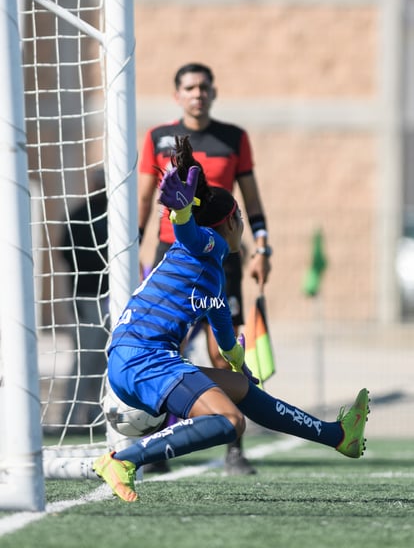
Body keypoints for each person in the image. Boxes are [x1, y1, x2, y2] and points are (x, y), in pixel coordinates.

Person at [93, 136, 370, 503]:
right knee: (229, 422)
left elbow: (224, 334)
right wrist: (181, 215)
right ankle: (122, 460)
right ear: (230, 222)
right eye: (239, 217)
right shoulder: (206, 245)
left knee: (240, 390)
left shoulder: (212, 276)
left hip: (136, 358)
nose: (242, 224)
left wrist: (239, 363)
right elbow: (190, 236)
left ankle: (339, 437)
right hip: (143, 359)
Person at [138, 62, 272, 474]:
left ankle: (234, 446)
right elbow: (144, 198)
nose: (198, 94)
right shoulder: (158, 137)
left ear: (214, 93)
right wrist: (129, 242)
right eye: (190, 88)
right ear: (177, 95)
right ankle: (158, 445)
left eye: (204, 87)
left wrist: (262, 245)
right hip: (171, 253)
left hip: (222, 257)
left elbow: (251, 200)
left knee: (222, 346)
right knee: (167, 347)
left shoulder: (234, 139)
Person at [60, 169, 109, 429]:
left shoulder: (119, 215)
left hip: (114, 297)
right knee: (84, 359)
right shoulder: (81, 215)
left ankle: (97, 417)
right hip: (88, 297)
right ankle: (69, 417)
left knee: (106, 361)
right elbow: (67, 254)